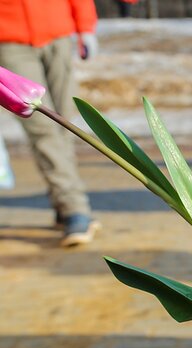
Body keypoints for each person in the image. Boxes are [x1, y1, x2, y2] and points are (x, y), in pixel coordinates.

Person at [0, 0, 100, 247]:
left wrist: (85, 27)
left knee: (64, 122)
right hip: (10, 40)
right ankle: (75, 208)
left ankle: (62, 202)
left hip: (58, 33)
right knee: (42, 129)